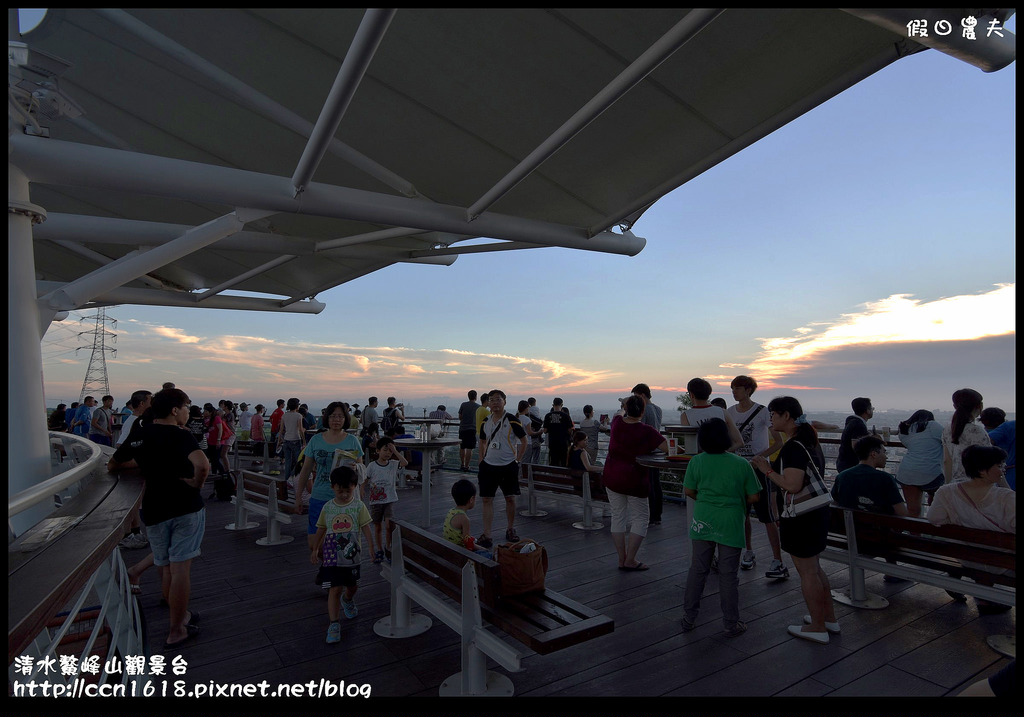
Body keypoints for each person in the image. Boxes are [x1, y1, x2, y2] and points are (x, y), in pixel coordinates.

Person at [108, 388, 209, 649]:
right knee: (180, 570)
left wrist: (147, 465)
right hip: (185, 507)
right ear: (175, 410)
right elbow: (203, 465)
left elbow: (114, 464)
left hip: (153, 509)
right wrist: (196, 484)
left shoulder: (140, 434)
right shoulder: (181, 436)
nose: (188, 410)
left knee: (165, 566)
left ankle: (180, 615)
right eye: (186, 406)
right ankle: (176, 629)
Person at [752, 396, 838, 644]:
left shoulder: (792, 447)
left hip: (802, 517)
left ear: (786, 416)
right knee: (815, 569)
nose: (771, 419)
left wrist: (765, 468)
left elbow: (792, 484)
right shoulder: (809, 441)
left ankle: (818, 626)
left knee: (807, 572)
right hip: (816, 513)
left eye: (773, 414)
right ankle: (827, 618)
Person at [681, 418, 761, 637]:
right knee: (728, 576)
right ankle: (731, 622)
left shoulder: (696, 462)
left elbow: (689, 491)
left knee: (697, 571)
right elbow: (754, 495)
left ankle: (689, 618)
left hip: (703, 520)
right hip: (731, 522)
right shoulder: (740, 464)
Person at [929, 445, 1014, 613]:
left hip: (968, 557)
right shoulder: (1006, 497)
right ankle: (985, 599)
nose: (1002, 469)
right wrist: (1004, 483)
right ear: (983, 471)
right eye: (999, 465)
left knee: (983, 552)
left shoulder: (947, 491)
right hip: (1004, 563)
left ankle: (984, 599)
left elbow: (934, 518)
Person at [727, 375, 787, 578]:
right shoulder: (729, 412)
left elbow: (778, 441)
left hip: (758, 469)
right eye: (732, 388)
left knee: (767, 516)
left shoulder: (762, 412)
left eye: (737, 388)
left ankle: (777, 559)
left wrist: (759, 458)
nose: (734, 392)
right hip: (740, 468)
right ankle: (749, 552)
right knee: (742, 514)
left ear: (748, 390)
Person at [601, 395, 668, 571]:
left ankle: (621, 558)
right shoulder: (647, 431)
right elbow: (669, 448)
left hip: (612, 476)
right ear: (643, 411)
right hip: (635, 479)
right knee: (640, 517)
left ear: (627, 408)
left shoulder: (616, 423)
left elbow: (620, 412)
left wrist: (623, 404)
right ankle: (630, 559)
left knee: (618, 516)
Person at [311, 465, 373, 644]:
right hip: (332, 556)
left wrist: (371, 547)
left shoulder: (358, 506)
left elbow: (366, 527)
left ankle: (348, 599)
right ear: (333, 488)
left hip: (352, 557)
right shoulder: (328, 507)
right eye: (340, 491)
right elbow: (321, 529)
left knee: (352, 586)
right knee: (335, 588)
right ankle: (334, 623)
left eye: (348, 490)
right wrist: (315, 549)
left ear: (355, 487)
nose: (344, 494)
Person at [292, 402, 364, 553]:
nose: (336, 420)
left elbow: (362, 470)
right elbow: (305, 470)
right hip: (319, 496)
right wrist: (298, 497)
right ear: (326, 418)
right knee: (314, 544)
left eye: (340, 416)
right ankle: (326, 567)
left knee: (343, 542)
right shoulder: (316, 440)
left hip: (345, 498)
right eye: (332, 416)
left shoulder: (352, 441)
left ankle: (333, 573)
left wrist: (355, 468)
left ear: (345, 418)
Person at [476, 390, 527, 548]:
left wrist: (517, 460)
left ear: (505, 401)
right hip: (488, 465)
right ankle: (487, 534)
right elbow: (482, 442)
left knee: (510, 498)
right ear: (488, 403)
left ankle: (510, 528)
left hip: (508, 465)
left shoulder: (512, 420)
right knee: (486, 499)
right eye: (492, 400)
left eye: (498, 400)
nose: (495, 403)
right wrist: (481, 460)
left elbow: (524, 441)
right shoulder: (486, 421)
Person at [832, 435, 908, 516]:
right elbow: (902, 513)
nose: (886, 457)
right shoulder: (885, 479)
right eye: (884, 452)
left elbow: (835, 504)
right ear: (873, 454)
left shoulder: (842, 476)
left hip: (848, 526)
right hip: (878, 527)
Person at [364, 436, 407, 564]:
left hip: (390, 500)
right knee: (378, 527)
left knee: (389, 526)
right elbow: (365, 479)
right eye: (385, 450)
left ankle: (388, 548)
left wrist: (395, 451)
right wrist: (361, 489)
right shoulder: (372, 466)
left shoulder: (393, 464)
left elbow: (404, 462)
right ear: (378, 451)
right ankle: (379, 549)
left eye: (390, 451)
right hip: (376, 501)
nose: (388, 453)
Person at [893, 410, 945, 517]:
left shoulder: (904, 431)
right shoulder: (933, 425)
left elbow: (910, 445)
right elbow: (947, 440)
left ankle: (913, 532)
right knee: (938, 506)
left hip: (907, 472)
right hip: (932, 473)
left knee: (913, 510)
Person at [942, 388, 992, 484]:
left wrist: (947, 486)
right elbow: (989, 462)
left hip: (956, 485)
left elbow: (947, 461)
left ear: (954, 406)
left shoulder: (947, 429)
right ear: (980, 406)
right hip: (978, 485)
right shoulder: (977, 431)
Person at [442, 479, 493, 559]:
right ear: (471, 499)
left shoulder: (451, 511)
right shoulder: (464, 519)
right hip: (459, 554)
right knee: (488, 555)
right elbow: (468, 544)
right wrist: (483, 549)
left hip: (448, 549)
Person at [836, 397, 873, 474]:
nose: (873, 410)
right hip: (851, 465)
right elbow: (856, 446)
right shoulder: (858, 424)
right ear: (867, 411)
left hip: (843, 462)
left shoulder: (851, 421)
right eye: (872, 408)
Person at [543, 397, 574, 467]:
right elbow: (570, 430)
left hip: (552, 443)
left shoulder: (548, 416)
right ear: (562, 405)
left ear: (553, 405)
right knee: (563, 463)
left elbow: (545, 431)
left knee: (553, 463)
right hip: (563, 443)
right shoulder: (566, 416)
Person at [280, 398, 305, 482]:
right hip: (296, 440)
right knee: (298, 461)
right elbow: (301, 429)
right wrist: (304, 441)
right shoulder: (298, 416)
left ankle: (286, 479)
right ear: (297, 405)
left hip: (286, 440)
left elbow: (281, 429)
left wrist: (280, 440)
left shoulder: (284, 415)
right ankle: (292, 477)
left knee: (287, 462)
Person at [457, 391, 480, 471]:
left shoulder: (463, 405)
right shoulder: (478, 407)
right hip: (473, 429)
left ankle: (462, 464)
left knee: (462, 447)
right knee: (469, 448)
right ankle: (467, 466)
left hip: (463, 428)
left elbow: (460, 416)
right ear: (476, 397)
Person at [517, 400, 543, 464]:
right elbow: (530, 433)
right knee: (526, 462)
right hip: (527, 443)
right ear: (526, 408)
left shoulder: (516, 418)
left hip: (517, 443)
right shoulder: (527, 419)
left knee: (519, 460)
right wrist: (539, 432)